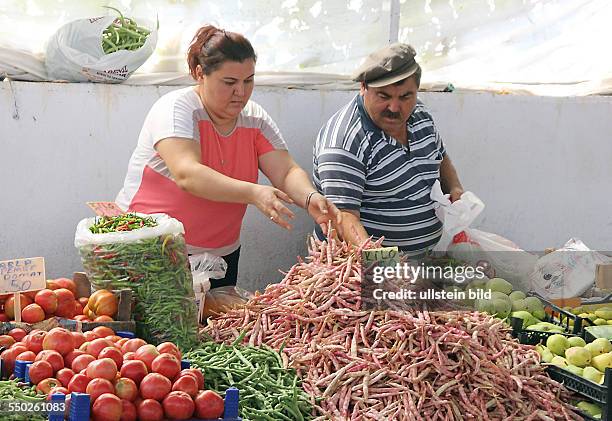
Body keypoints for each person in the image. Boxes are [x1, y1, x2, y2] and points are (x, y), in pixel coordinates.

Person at [116, 25, 340, 287]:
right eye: (229, 82)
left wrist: (309, 197)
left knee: (213, 326)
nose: (241, 92)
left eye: (248, 81)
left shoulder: (254, 118)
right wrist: (255, 193)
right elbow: (188, 174)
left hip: (218, 255)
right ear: (200, 73)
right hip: (151, 248)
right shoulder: (177, 109)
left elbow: (285, 170)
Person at [313, 43, 464, 255]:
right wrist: (385, 266)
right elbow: (344, 219)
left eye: (405, 97)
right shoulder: (345, 142)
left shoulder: (420, 114)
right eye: (383, 96)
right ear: (363, 87)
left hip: (418, 265)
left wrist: (455, 189)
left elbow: (440, 156)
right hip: (365, 270)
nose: (394, 108)